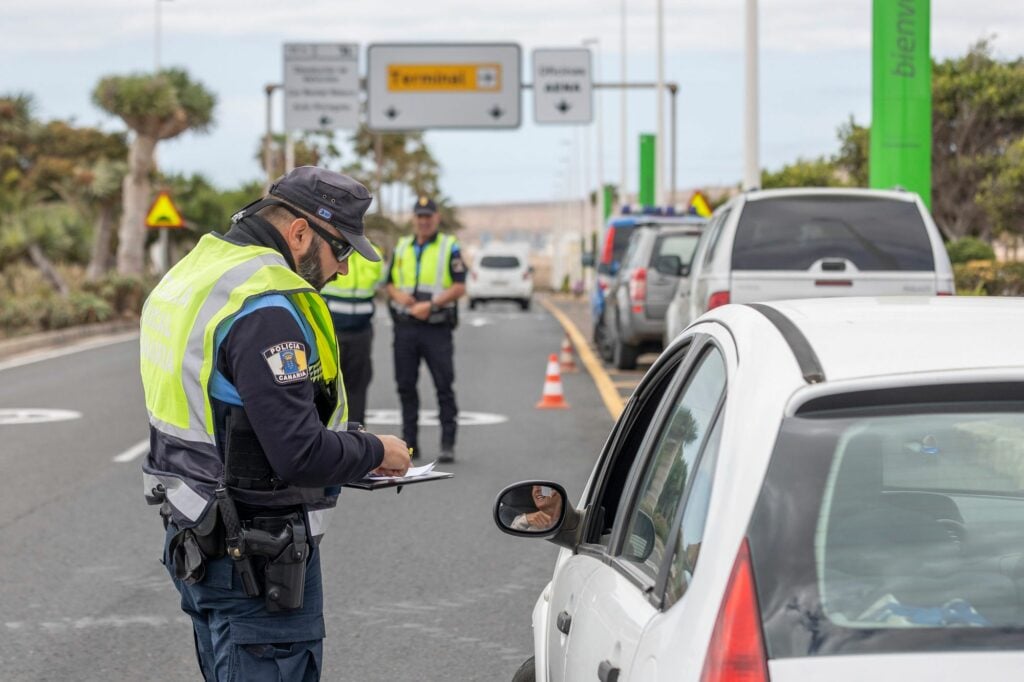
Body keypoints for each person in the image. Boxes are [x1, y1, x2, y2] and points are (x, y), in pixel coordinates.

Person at [138, 166, 411, 681]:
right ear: (301, 232)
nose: (345, 271)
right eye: (343, 251)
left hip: (195, 530)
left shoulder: (195, 272)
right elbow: (297, 453)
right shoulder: (265, 307)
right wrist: (376, 451)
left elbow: (230, 419)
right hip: (258, 558)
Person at [385, 196, 466, 463]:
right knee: (405, 387)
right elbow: (390, 284)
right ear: (414, 218)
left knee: (443, 386)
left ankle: (447, 443)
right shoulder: (403, 246)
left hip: (436, 328)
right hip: (406, 327)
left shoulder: (448, 246)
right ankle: (409, 445)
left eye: (428, 216)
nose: (423, 221)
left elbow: (459, 287)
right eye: (419, 216)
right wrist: (402, 299)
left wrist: (430, 305)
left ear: (436, 218)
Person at [320, 243, 386, 426]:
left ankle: (356, 435)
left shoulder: (374, 254)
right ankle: (326, 437)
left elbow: (382, 283)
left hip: (361, 332)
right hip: (331, 332)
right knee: (326, 387)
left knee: (357, 386)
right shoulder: (330, 249)